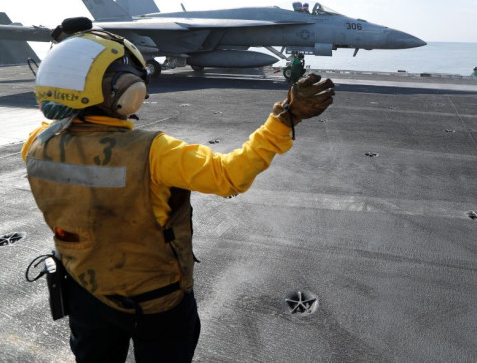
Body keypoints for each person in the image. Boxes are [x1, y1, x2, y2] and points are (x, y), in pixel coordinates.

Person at [21, 27, 334, 362]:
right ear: (127, 90)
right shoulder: (153, 152)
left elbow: (64, 128)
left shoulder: (37, 144)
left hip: (84, 290)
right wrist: (285, 117)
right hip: (156, 301)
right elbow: (230, 175)